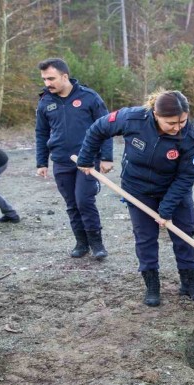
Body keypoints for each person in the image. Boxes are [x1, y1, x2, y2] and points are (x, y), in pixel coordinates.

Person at [76, 90, 194, 307]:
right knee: (145, 238)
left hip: (174, 190)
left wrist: (166, 208)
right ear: (155, 114)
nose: (178, 127)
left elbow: (187, 176)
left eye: (182, 121)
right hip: (138, 190)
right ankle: (152, 286)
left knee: (184, 235)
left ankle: (189, 283)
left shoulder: (190, 137)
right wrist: (86, 157)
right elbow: (98, 128)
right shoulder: (132, 118)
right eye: (171, 123)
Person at [36, 58, 110, 260]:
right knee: (72, 204)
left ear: (65, 76)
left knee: (84, 200)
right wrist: (41, 162)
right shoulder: (45, 101)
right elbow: (41, 133)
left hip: (87, 160)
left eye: (51, 78)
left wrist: (107, 156)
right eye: (44, 79)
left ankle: (97, 244)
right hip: (61, 160)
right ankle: (81, 243)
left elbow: (105, 127)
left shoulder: (89, 97)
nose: (47, 83)